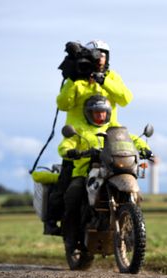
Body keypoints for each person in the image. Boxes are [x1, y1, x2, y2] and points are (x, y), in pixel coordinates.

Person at [44, 40, 133, 235]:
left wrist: (104, 81)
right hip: (79, 139)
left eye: (103, 54)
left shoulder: (112, 77)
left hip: (109, 139)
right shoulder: (77, 77)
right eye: (95, 54)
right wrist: (73, 79)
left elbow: (125, 98)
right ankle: (59, 224)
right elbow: (63, 104)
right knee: (68, 187)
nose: (99, 58)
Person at [59, 95, 151, 255]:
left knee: (136, 195)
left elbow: (133, 139)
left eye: (103, 112)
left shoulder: (114, 128)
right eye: (96, 112)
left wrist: (143, 148)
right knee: (73, 194)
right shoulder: (79, 128)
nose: (100, 115)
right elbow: (65, 145)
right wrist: (71, 151)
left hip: (112, 170)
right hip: (85, 171)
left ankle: (130, 232)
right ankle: (71, 239)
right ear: (89, 113)